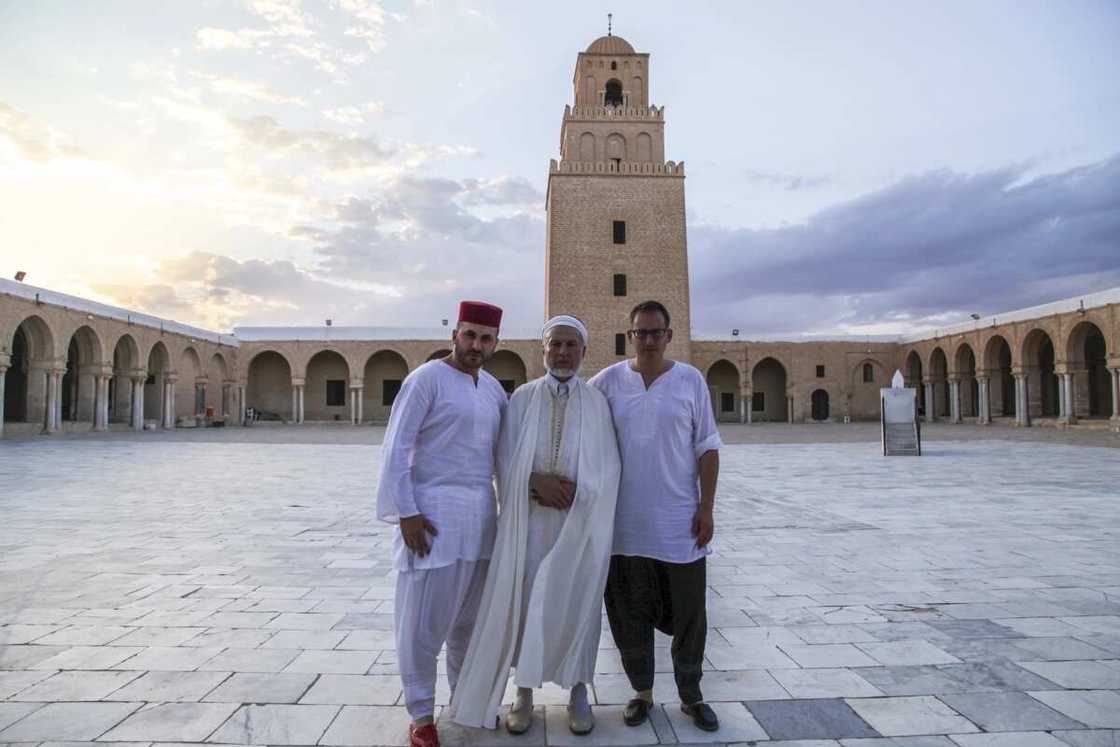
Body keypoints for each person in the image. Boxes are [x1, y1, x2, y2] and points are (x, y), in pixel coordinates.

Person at [450, 316, 620, 736]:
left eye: (571, 345)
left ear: (584, 351)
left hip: (579, 526)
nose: (562, 353)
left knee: (578, 602)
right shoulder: (521, 399)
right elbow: (502, 459)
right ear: (542, 350)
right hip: (529, 523)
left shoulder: (598, 402)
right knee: (526, 603)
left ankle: (578, 690)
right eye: (555, 345)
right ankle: (523, 692)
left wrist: (581, 494)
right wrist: (532, 483)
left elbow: (610, 466)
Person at [376, 301, 508, 747]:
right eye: (470, 335)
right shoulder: (425, 380)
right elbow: (395, 449)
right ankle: (420, 714)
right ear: (456, 334)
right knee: (422, 624)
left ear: (495, 343)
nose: (476, 345)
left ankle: (466, 702)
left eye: (485, 338)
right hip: (432, 517)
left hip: (480, 520)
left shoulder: (492, 389)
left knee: (469, 624)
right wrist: (407, 513)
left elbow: (505, 455)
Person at [589, 300, 723, 733]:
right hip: (624, 527)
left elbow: (708, 446)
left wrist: (706, 507)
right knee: (628, 612)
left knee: (690, 614)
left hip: (678, 524)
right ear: (629, 336)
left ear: (669, 335)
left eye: (655, 332)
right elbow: (571, 415)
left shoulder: (690, 381)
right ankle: (642, 693)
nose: (647, 340)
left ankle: (691, 694)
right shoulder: (607, 382)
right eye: (639, 333)